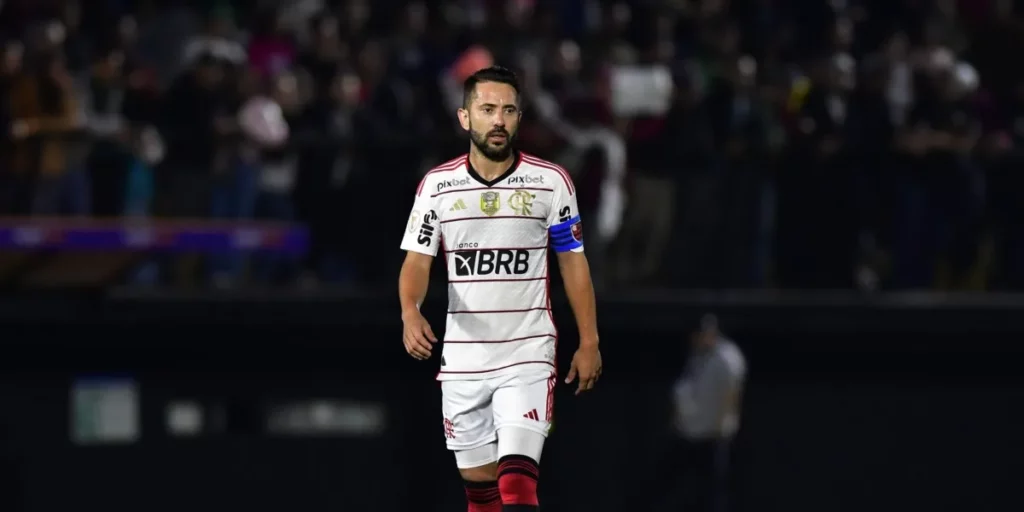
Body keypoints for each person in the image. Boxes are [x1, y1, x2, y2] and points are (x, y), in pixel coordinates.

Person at [398, 66, 602, 512]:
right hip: (463, 360)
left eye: (508, 110)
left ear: (519, 118)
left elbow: (573, 263)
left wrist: (589, 340)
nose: (498, 120)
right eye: (487, 109)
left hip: (527, 353)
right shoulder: (438, 187)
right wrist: (410, 312)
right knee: (481, 494)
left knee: (517, 486)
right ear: (464, 117)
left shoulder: (551, 183)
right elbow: (416, 261)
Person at [670, 314, 747, 512]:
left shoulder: (726, 357)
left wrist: (722, 429)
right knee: (686, 492)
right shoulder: (698, 356)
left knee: (713, 495)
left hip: (714, 438)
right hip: (689, 436)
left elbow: (732, 395)